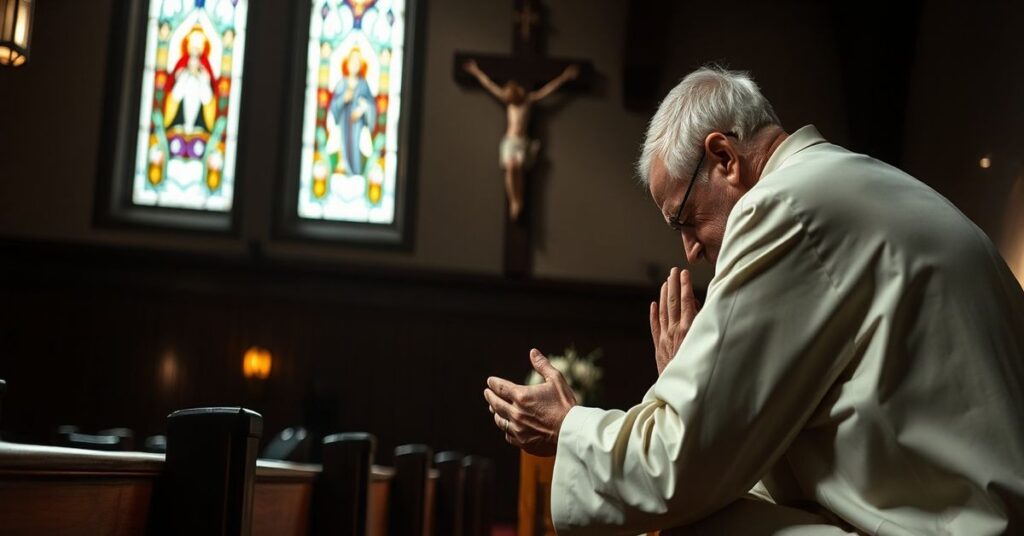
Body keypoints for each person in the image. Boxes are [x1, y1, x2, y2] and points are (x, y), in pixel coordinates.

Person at [483, 66, 1024, 534]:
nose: (690, 250)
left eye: (685, 219)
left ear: (723, 157)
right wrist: (696, 381)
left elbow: (679, 468)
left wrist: (569, 427)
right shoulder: (850, 182)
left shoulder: (785, 206)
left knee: (690, 523)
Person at [463, 60, 579, 220]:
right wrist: (476, 72)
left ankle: (520, 199)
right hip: (510, 141)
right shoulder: (509, 103)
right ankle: (514, 200)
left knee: (519, 171)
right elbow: (489, 85)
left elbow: (547, 90)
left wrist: (564, 77)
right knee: (511, 168)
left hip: (522, 142)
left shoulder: (528, 101)